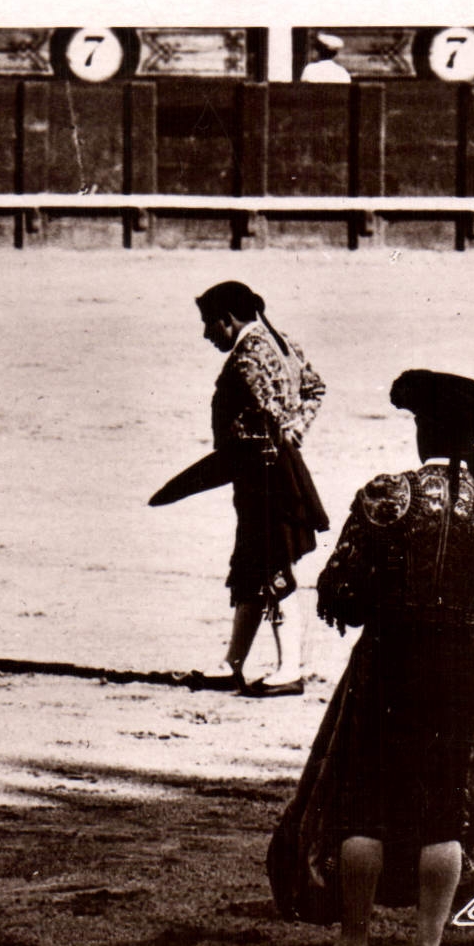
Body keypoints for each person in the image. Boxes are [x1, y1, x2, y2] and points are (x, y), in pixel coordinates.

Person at [267, 369, 474, 946]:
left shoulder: (386, 496)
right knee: (442, 812)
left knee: (367, 806)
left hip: (391, 669)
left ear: (424, 431)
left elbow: (337, 590)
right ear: (473, 436)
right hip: (459, 674)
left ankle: (354, 943)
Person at [196, 281, 328, 697]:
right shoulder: (281, 342)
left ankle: (289, 669)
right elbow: (314, 390)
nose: (206, 333)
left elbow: (265, 416)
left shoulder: (247, 358)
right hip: (277, 467)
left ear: (229, 319)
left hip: (264, 476)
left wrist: (268, 442)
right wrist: (294, 433)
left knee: (272, 565)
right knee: (254, 565)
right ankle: (232, 664)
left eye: (209, 324)